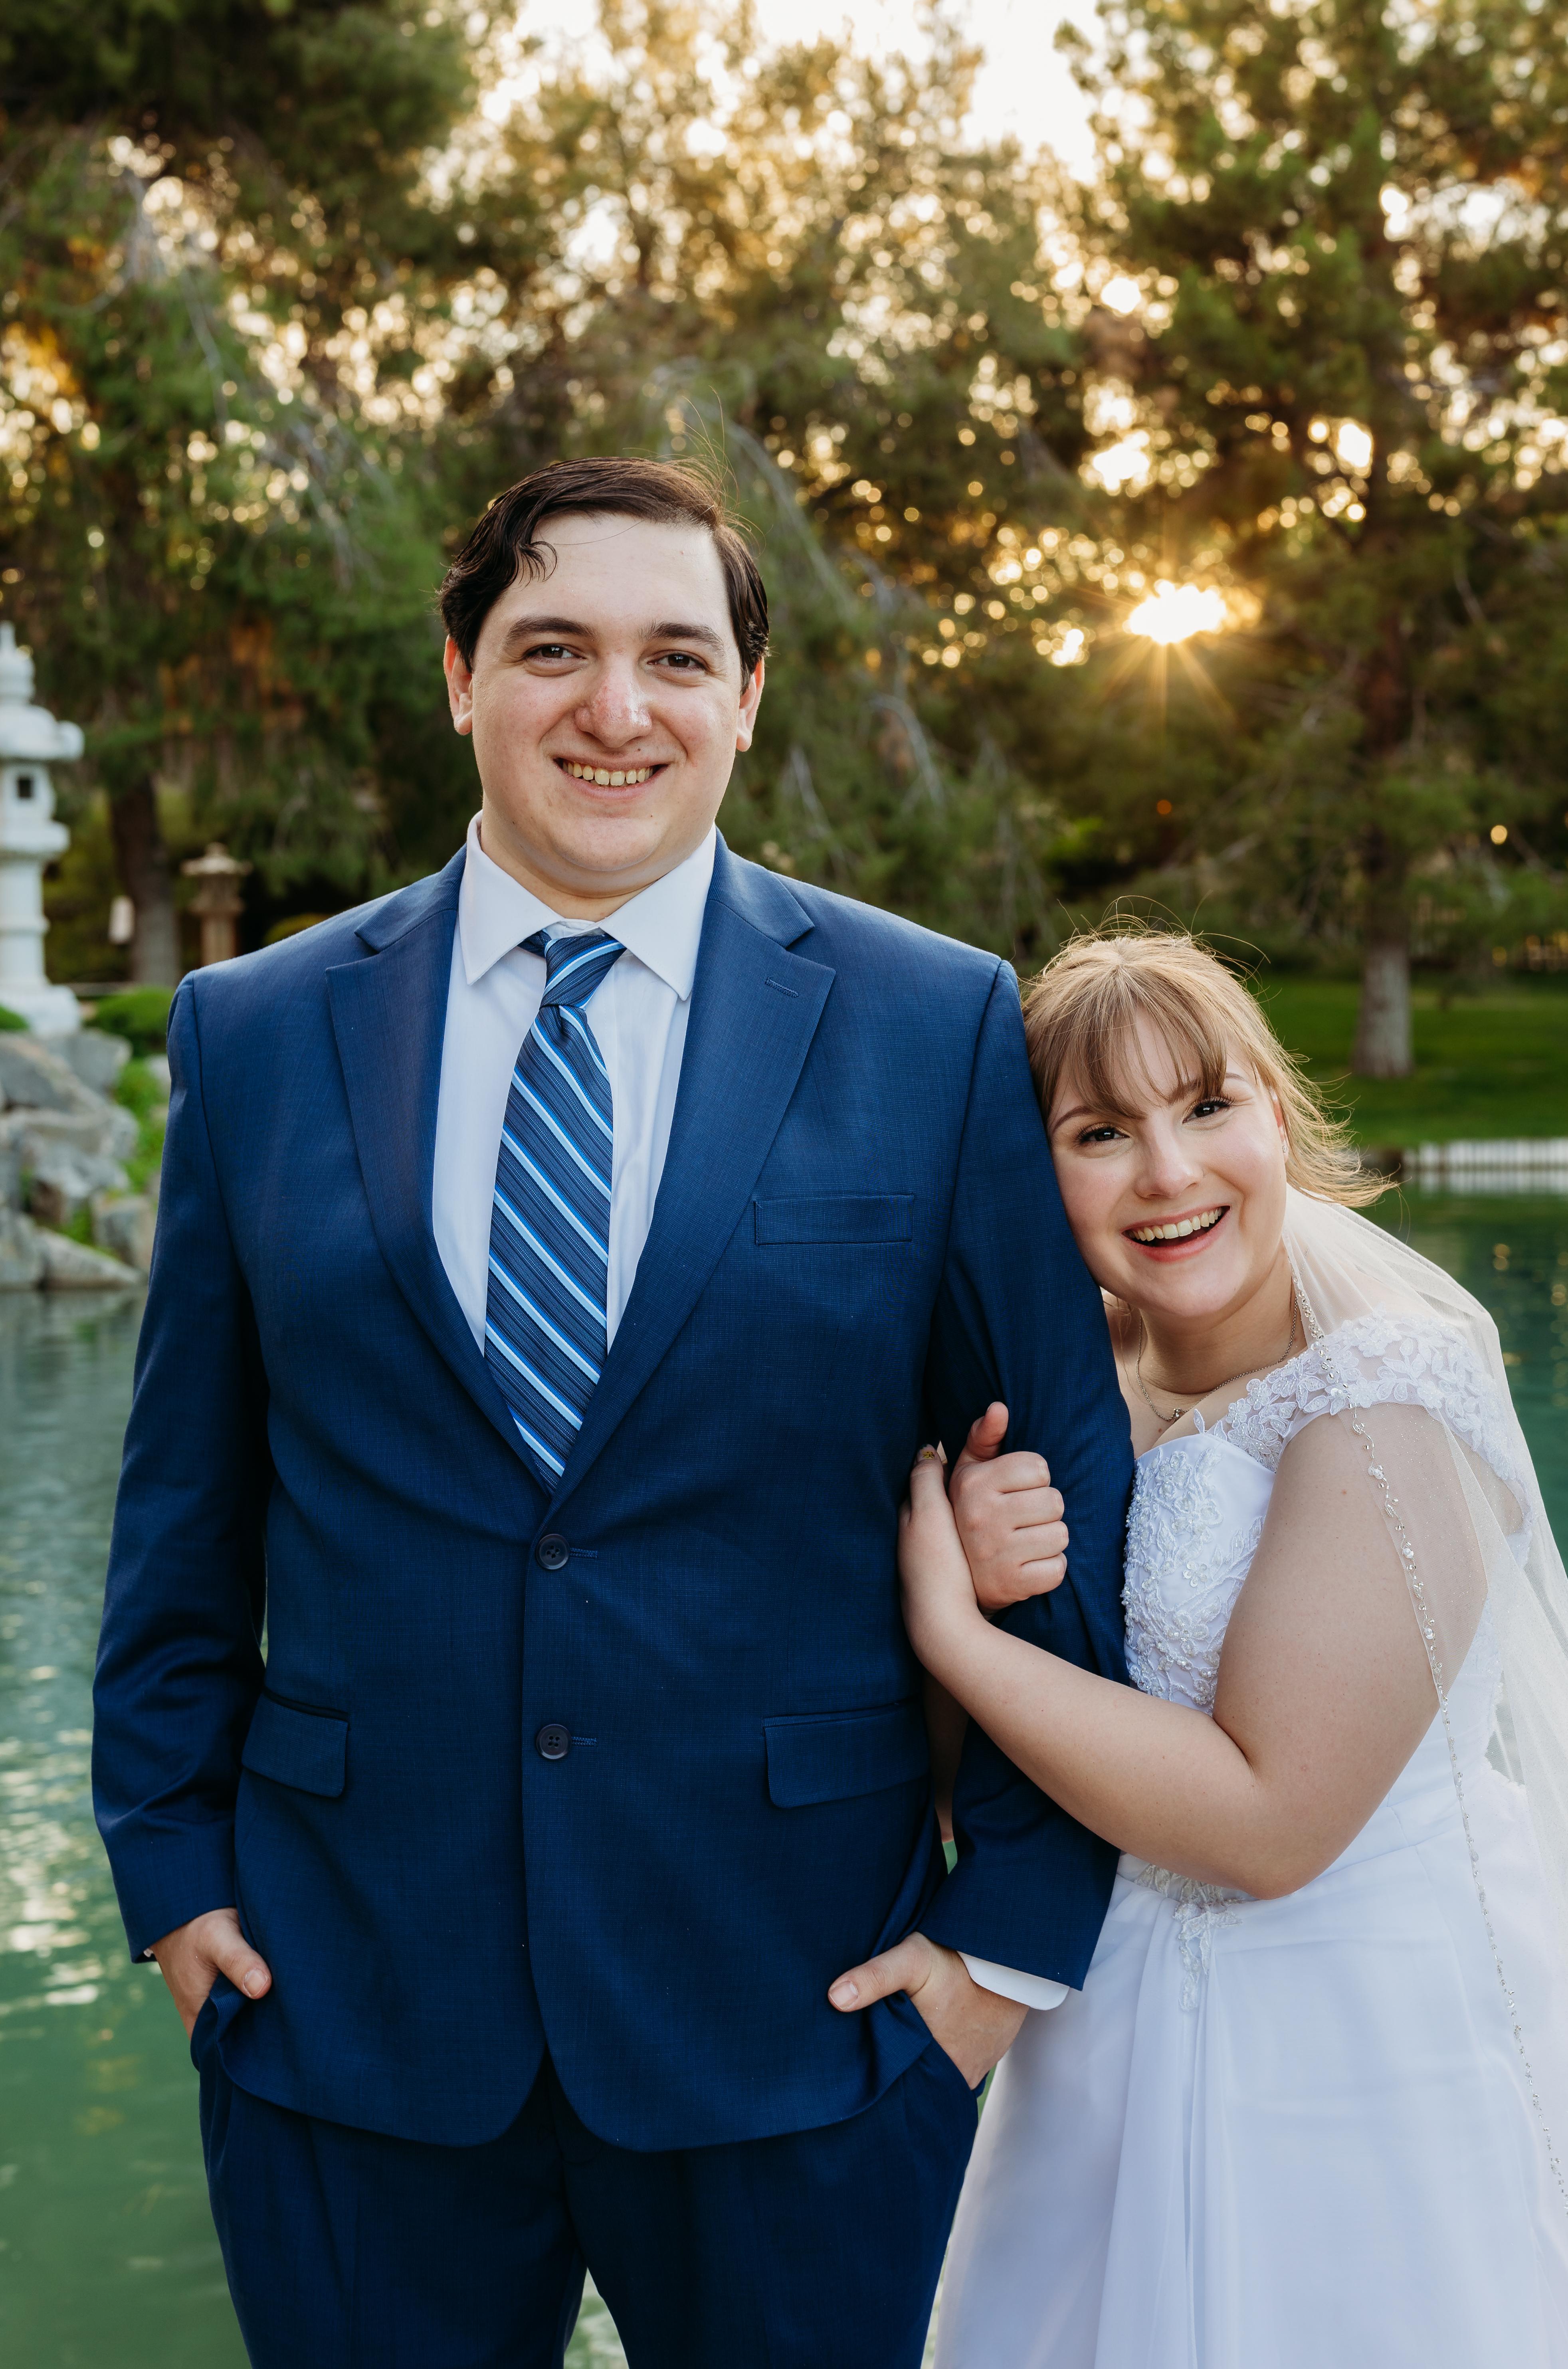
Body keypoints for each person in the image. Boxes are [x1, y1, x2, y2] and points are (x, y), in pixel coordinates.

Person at [91, 456, 1133, 2368]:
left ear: (747, 697)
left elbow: (1062, 1476)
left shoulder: (931, 1023)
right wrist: (172, 1884)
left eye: (674, 656)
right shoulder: (254, 1031)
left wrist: (999, 1948)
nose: (615, 707)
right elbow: (185, 1514)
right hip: (342, 2009)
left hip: (811, 2013)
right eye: (552, 647)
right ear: (460, 677)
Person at [834, 928, 1568, 2368]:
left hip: (1354, 2059)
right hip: (1098, 2055)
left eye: (1208, 1107)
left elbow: (1270, 1822)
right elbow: (978, 1783)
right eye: (1100, 1133)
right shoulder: (1071, 1398)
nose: (1168, 1173)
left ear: (1276, 1120)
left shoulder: (1387, 1398)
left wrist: (958, 1638)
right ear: (1035, 1178)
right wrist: (980, 1576)